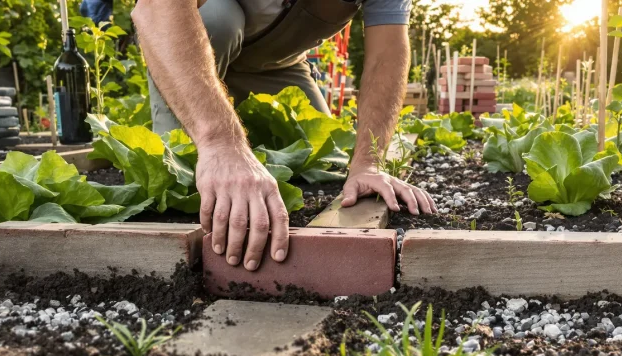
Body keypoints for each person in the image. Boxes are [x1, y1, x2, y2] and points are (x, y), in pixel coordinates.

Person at [131, 0, 437, 272]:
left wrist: (368, 163)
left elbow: (387, 53)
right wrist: (221, 143)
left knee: (321, 159)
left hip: (278, 66)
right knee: (178, 177)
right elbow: (156, 7)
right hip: (196, 47)